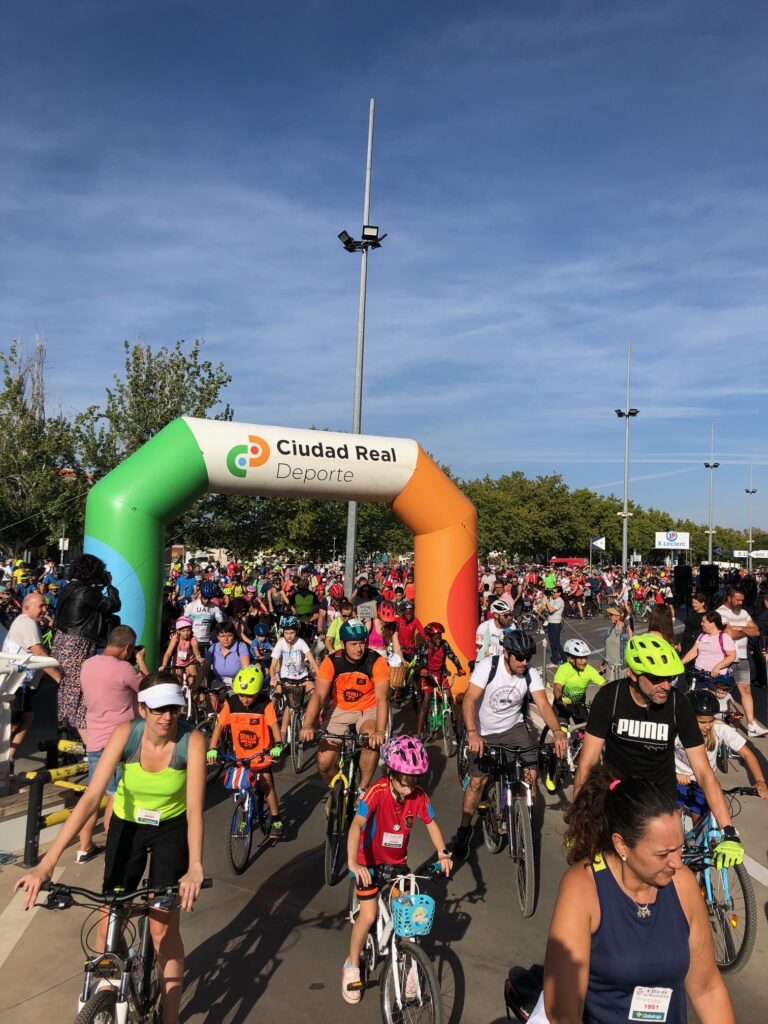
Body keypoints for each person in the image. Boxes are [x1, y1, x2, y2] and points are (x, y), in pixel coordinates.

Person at [15, 673, 206, 1024]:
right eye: (159, 709)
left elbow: (195, 808)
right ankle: (107, 992)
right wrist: (46, 864)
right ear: (142, 708)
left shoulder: (190, 741)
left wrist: (195, 865)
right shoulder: (126, 734)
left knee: (163, 928)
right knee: (109, 917)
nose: (167, 717)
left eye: (174, 710)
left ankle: (171, 1017)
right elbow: (90, 798)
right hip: (127, 826)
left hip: (171, 829)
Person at [540, 766, 735, 1023]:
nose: (677, 862)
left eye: (679, 848)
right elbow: (563, 1011)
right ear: (622, 845)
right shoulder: (583, 888)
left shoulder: (682, 884)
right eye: (663, 854)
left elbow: (707, 988)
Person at [574, 635, 742, 843]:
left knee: (673, 869)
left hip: (661, 801)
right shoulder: (610, 698)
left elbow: (703, 772)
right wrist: (578, 821)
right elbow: (587, 763)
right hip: (619, 798)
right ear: (633, 674)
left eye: (669, 677)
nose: (666, 685)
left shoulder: (677, 704)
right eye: (656, 678)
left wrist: (729, 831)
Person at [343, 735, 452, 1005]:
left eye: (413, 783)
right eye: (404, 783)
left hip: (396, 864)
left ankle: (411, 969)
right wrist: (354, 863)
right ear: (390, 773)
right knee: (367, 916)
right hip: (368, 862)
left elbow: (432, 824)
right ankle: (352, 964)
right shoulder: (377, 792)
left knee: (409, 920)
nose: (408, 790)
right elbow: (356, 825)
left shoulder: (417, 796)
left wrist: (442, 853)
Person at [453, 630, 567, 860]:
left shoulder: (529, 673)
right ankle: (464, 830)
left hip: (513, 728)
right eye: (519, 658)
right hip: (484, 730)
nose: (524, 662)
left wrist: (557, 732)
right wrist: (473, 733)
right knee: (477, 782)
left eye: (528, 658)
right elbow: (469, 699)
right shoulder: (488, 667)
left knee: (531, 774)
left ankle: (524, 822)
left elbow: (544, 705)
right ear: (506, 654)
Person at [77, 624, 148, 862]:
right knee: (115, 796)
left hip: (95, 738)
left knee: (93, 796)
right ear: (127, 648)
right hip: (119, 741)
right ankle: (117, 847)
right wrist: (142, 661)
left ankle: (84, 847)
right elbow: (151, 689)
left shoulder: (87, 665)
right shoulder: (124, 669)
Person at [300, 619, 390, 790]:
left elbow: (382, 699)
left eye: (362, 643)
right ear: (342, 643)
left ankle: (362, 790)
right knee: (324, 762)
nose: (359, 648)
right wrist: (307, 725)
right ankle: (339, 790)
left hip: (367, 709)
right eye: (353, 644)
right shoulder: (332, 661)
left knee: (371, 741)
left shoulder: (376, 661)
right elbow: (319, 695)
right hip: (340, 708)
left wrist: (380, 731)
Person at [206, 665, 285, 839]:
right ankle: (244, 817)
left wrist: (278, 744)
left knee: (266, 784)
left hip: (262, 755)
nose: (245, 699)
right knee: (242, 788)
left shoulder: (265, 705)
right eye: (241, 695)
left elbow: (273, 725)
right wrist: (212, 748)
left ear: (258, 691)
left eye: (250, 695)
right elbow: (220, 725)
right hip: (241, 756)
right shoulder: (231, 704)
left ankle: (276, 817)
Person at [52, 553, 122, 741]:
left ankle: (67, 731)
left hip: (63, 641)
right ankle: (91, 745)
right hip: (77, 645)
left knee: (69, 689)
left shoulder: (70, 588)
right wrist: (109, 585)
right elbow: (114, 606)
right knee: (80, 694)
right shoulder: (86, 593)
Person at [1, 592, 61, 772]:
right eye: (41, 606)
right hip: (15, 683)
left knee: (26, 717)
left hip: (21, 683)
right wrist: (59, 678)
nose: (45, 609)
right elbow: (39, 653)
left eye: (45, 605)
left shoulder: (27, 622)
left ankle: (9, 757)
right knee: (13, 723)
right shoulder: (26, 622)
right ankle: (5, 760)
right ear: (27, 608)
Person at [675, 689, 767, 806]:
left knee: (705, 817)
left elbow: (747, 754)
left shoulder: (719, 728)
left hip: (705, 782)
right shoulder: (677, 730)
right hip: (679, 779)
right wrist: (675, 774)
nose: (708, 726)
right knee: (674, 817)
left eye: (710, 721)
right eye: (702, 722)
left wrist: (760, 781)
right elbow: (661, 755)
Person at [716, 585, 768, 737]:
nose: (740, 603)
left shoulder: (744, 612)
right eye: (737, 600)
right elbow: (728, 634)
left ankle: (751, 725)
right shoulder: (720, 613)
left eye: (742, 600)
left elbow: (756, 631)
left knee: (746, 691)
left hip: (742, 658)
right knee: (719, 691)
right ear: (729, 598)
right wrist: (745, 628)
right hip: (725, 658)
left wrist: (739, 628)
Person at [270, 616, 319, 745]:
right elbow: (273, 665)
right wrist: (273, 677)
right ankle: (283, 733)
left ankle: (311, 723)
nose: (289, 636)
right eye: (286, 633)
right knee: (291, 706)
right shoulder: (280, 643)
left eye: (292, 632)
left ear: (296, 632)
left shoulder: (301, 642)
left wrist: (319, 675)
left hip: (302, 675)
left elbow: (312, 661)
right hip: (287, 677)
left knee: (315, 695)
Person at [412, 621, 465, 737]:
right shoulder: (425, 646)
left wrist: (459, 668)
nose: (438, 640)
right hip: (428, 676)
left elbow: (452, 656)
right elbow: (418, 661)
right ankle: (419, 733)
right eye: (436, 638)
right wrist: (421, 669)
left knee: (450, 699)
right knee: (426, 701)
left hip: (441, 675)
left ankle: (456, 730)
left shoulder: (444, 645)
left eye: (440, 637)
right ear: (430, 637)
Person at [680, 611, 736, 691]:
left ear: (712, 623)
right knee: (700, 699)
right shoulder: (702, 635)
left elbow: (731, 656)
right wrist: (681, 663)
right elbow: (694, 651)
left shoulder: (724, 637)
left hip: (716, 676)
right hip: (699, 674)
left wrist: (717, 667)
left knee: (716, 700)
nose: (701, 624)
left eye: (704, 622)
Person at [551, 638, 603, 720]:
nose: (584, 661)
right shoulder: (564, 669)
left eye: (585, 657)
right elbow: (557, 688)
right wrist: (561, 699)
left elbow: (604, 684)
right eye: (581, 658)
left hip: (579, 705)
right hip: (562, 706)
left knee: (586, 731)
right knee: (562, 732)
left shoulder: (588, 669)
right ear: (571, 658)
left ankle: (581, 733)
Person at [160, 617, 205, 688]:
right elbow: (168, 653)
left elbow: (197, 653)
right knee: (177, 684)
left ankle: (193, 697)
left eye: (188, 630)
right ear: (178, 631)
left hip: (189, 662)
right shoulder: (175, 638)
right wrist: (164, 665)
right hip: (177, 663)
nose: (186, 633)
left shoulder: (193, 639)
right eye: (183, 631)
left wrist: (199, 659)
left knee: (193, 683)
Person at [205, 619, 251, 689]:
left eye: (229, 635)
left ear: (234, 635)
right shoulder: (213, 648)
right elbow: (204, 668)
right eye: (222, 636)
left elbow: (246, 669)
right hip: (218, 684)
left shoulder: (241, 646)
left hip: (237, 683)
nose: (226, 639)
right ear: (217, 637)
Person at [183, 581, 224, 656]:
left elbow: (222, 623)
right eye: (205, 598)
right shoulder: (191, 605)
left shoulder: (215, 607)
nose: (207, 601)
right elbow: (183, 623)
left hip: (206, 641)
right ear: (201, 594)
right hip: (192, 640)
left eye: (209, 598)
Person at [599, 605, 632, 681]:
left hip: (622, 669)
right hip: (609, 668)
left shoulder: (627, 631)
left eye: (611, 615)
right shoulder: (609, 630)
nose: (609, 616)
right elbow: (606, 648)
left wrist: (630, 635)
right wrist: (602, 663)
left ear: (618, 616)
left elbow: (632, 650)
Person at [543, 586, 566, 667]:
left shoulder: (561, 601)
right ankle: (555, 661)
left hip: (556, 624)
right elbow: (547, 609)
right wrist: (545, 602)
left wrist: (547, 602)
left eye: (554, 592)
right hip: (550, 623)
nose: (553, 593)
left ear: (559, 593)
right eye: (552, 592)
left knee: (556, 643)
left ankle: (565, 659)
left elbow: (551, 610)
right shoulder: (552, 600)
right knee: (552, 643)